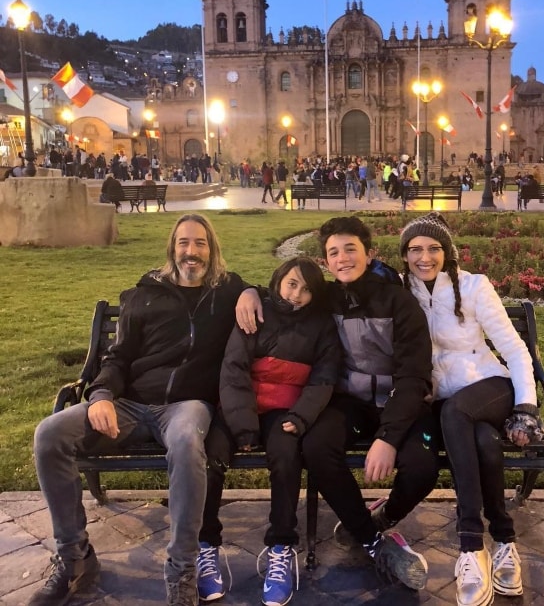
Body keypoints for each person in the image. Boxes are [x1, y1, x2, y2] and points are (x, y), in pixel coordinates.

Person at [28, 214, 260, 606]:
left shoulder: (226, 291)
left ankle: (182, 571)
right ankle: (74, 558)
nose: (192, 251)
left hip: (187, 406)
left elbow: (274, 291)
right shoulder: (144, 295)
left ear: (212, 250)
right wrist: (101, 395)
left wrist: (252, 291)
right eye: (184, 243)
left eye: (200, 243)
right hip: (130, 405)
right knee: (49, 434)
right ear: (173, 248)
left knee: (187, 443)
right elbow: (117, 357)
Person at [399, 212, 543, 606]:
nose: (424, 257)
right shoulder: (402, 291)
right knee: (481, 439)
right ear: (405, 255)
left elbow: (514, 349)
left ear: (447, 252)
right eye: (415, 249)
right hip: (445, 400)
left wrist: (526, 405)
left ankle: (468, 545)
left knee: (456, 415)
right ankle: (503, 538)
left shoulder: (474, 286)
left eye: (433, 248)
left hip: (490, 387)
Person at [297, 217, 435, 591]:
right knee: (316, 445)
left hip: (401, 403)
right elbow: (282, 296)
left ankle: (379, 519)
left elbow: (414, 376)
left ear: (369, 253)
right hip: (351, 404)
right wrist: (248, 295)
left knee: (423, 468)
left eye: (350, 249)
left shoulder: (398, 301)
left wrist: (389, 437)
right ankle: (376, 545)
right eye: (333, 253)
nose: (342, 259)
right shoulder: (326, 298)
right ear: (325, 262)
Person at [199, 257, 341, 605]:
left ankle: (281, 545)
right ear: (278, 281)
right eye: (292, 284)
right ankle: (205, 545)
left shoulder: (322, 325)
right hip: (239, 408)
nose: (297, 295)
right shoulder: (256, 312)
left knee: (286, 455)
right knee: (210, 456)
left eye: (307, 289)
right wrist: (243, 426)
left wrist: (303, 416)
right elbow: (233, 367)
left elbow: (324, 377)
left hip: (286, 410)